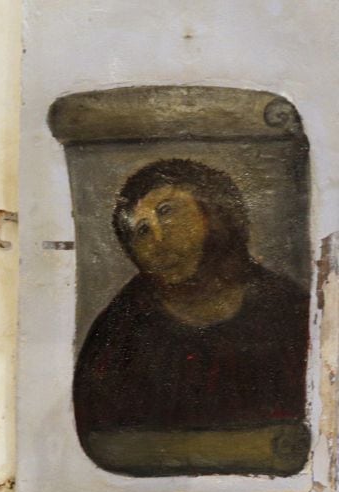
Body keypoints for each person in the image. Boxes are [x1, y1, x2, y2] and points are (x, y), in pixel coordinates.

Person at [73, 159, 309, 474]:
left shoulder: (290, 311)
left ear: (217, 211)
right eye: (140, 231)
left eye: (167, 212)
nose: (155, 240)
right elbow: (101, 445)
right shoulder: (119, 334)